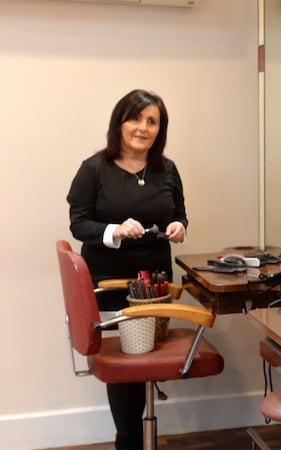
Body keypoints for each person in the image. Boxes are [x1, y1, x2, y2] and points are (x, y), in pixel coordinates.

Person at [67, 89, 187, 449]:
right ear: (119, 122)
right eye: (136, 118)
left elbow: (179, 212)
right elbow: (78, 223)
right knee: (130, 364)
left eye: (153, 121)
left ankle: (135, 438)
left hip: (154, 285)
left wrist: (180, 227)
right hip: (110, 285)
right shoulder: (94, 169)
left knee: (145, 359)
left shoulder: (167, 169)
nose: (143, 128)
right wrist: (114, 231)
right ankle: (129, 439)